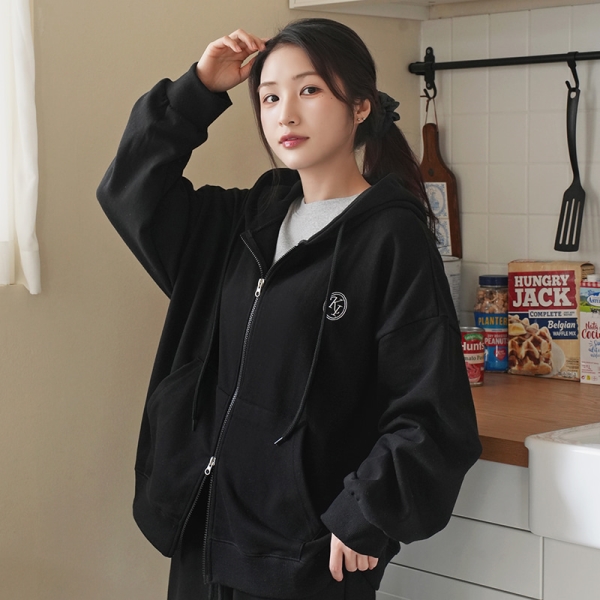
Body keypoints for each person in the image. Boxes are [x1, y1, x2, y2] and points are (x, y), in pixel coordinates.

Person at [97, 18, 481, 600]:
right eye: (271, 97)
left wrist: (365, 513)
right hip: (205, 543)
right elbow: (130, 189)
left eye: (309, 90)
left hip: (306, 560)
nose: (285, 115)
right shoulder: (243, 223)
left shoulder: (392, 240)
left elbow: (433, 412)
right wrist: (199, 88)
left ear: (359, 106)